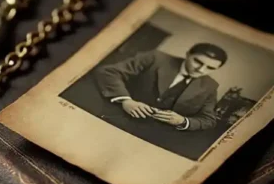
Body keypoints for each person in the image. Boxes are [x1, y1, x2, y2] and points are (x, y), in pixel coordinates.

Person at [94, 42, 227, 131]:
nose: (201, 70)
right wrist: (126, 100)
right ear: (188, 54)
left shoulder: (210, 86)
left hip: (155, 134)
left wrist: (183, 121)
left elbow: (208, 119)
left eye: (210, 68)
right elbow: (108, 72)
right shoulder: (156, 58)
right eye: (197, 61)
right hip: (113, 118)